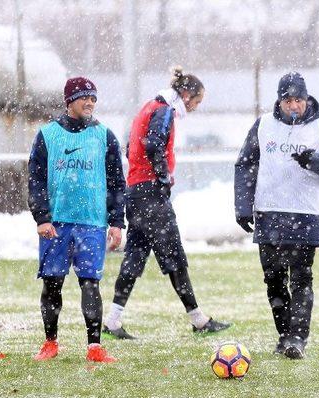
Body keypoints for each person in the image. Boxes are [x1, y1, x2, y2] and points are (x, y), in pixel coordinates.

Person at [102, 67, 230, 339]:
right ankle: (198, 320)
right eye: (196, 102)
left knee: (134, 257)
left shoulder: (148, 107)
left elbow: (131, 147)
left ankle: (112, 320)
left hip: (135, 192)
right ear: (185, 94)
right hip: (150, 196)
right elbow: (152, 144)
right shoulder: (164, 110)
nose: (195, 108)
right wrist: (163, 178)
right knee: (174, 256)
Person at [234, 72, 319, 359]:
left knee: (300, 279)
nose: (294, 106)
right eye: (288, 100)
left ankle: (298, 338)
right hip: (269, 214)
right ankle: (284, 335)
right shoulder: (263, 125)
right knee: (273, 280)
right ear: (280, 101)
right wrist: (243, 205)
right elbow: (245, 164)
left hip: (305, 215)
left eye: (299, 100)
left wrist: (314, 160)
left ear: (307, 99)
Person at [28, 77, 124, 363]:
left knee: (90, 283)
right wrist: (42, 218)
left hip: (92, 224)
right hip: (56, 224)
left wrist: (117, 222)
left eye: (94, 98)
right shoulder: (48, 135)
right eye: (85, 97)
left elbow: (117, 183)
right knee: (52, 284)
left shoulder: (105, 136)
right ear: (70, 101)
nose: (91, 103)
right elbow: (36, 181)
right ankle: (50, 342)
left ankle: (94, 347)